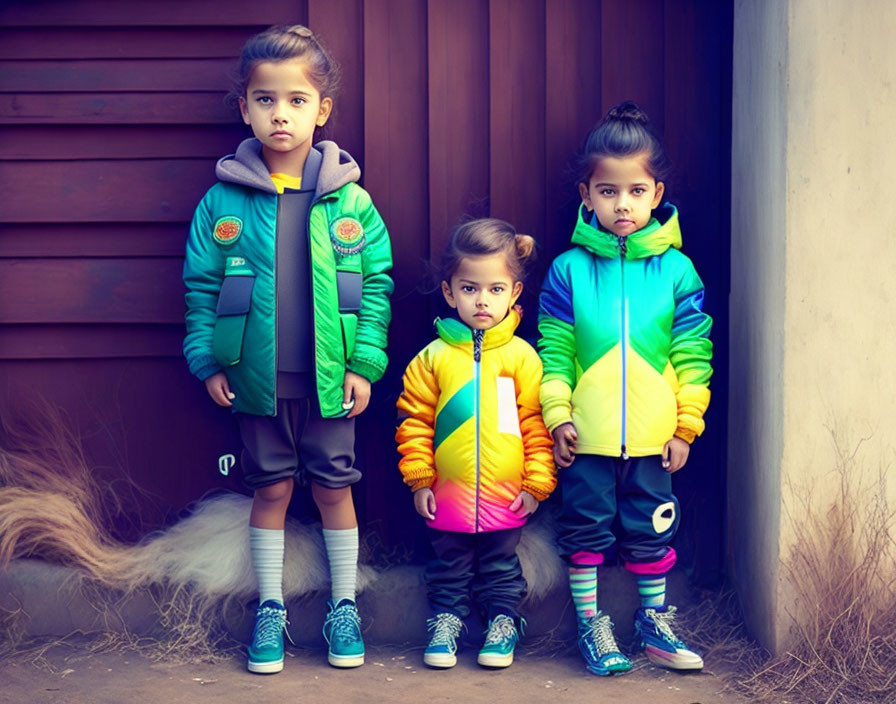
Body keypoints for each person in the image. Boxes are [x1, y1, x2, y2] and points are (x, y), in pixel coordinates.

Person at [183, 25, 393, 674]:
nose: (282, 113)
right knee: (270, 489)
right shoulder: (223, 201)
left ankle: (343, 604)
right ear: (245, 108)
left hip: (331, 382)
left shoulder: (349, 200)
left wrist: (365, 364)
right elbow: (202, 283)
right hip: (256, 380)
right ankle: (269, 608)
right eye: (266, 100)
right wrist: (208, 358)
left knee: (334, 488)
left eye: (297, 100)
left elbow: (376, 286)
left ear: (322, 110)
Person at [538, 101, 712, 675]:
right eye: (607, 191)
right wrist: (559, 415)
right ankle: (592, 624)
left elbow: (692, 355)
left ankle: (653, 622)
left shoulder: (677, 272)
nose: (622, 204)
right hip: (585, 437)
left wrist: (686, 426)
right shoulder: (567, 270)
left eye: (636, 191)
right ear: (587, 194)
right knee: (584, 528)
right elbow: (556, 352)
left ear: (656, 193)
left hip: (653, 437)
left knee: (649, 529)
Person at [395, 218, 556, 670]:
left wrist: (536, 484)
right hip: (449, 492)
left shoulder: (523, 358)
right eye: (469, 289)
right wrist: (420, 479)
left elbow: (536, 426)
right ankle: (447, 622)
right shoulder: (432, 359)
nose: (482, 300)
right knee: (448, 564)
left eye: (495, 289)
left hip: (507, 493)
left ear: (515, 293)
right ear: (449, 292)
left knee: (502, 567)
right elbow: (415, 422)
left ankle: (503, 622)